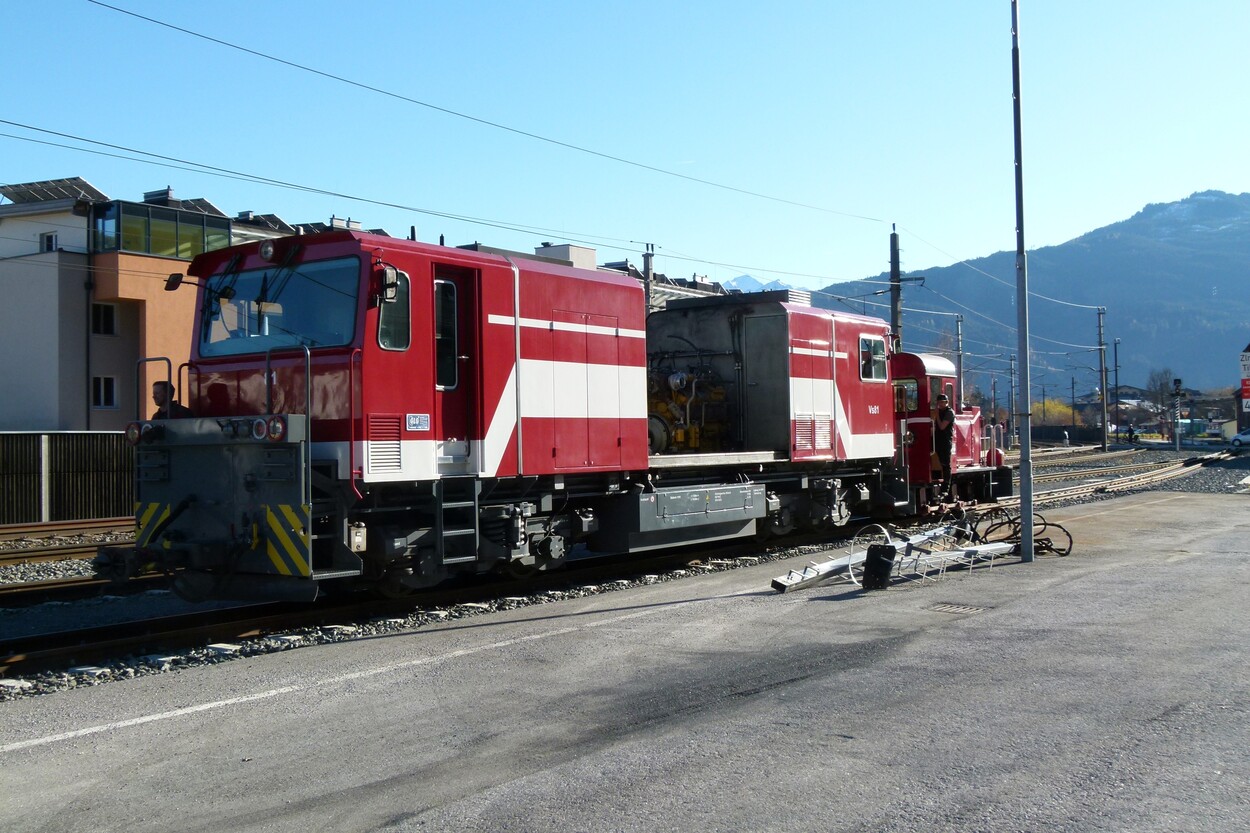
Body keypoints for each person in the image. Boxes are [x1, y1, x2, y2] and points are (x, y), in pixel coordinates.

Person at [932, 393, 955, 499]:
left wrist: (936, 416)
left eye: (942, 402)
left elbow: (942, 426)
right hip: (938, 440)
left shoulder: (949, 413)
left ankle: (946, 488)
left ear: (947, 403)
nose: (940, 404)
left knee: (946, 464)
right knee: (941, 462)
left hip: (946, 441)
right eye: (939, 402)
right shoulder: (939, 412)